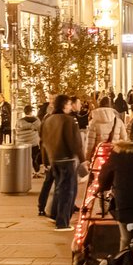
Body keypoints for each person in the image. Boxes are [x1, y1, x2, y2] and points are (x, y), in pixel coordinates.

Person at [39, 95, 85, 232]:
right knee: (68, 191)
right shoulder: (69, 120)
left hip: (54, 159)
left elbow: (43, 142)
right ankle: (62, 222)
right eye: (70, 104)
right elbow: (75, 142)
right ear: (65, 105)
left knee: (59, 188)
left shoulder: (47, 120)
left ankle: (54, 215)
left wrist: (45, 160)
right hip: (67, 159)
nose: (71, 107)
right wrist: (83, 160)